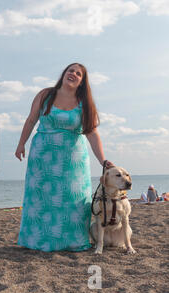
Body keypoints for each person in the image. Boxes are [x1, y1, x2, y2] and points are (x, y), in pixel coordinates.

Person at [15, 63, 114, 252]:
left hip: (73, 160)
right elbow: (31, 120)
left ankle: (74, 242)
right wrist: (21, 144)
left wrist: (103, 161)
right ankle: (37, 241)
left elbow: (92, 133)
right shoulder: (45, 95)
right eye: (71, 71)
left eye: (78, 74)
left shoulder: (84, 102)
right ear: (64, 73)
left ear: (82, 82)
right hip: (42, 157)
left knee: (72, 198)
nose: (73, 74)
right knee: (41, 199)